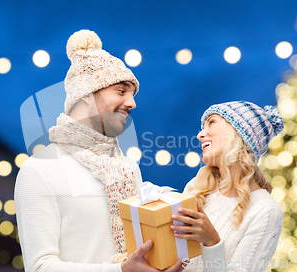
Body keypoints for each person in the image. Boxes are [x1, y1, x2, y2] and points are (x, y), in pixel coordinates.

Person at [14, 30, 183, 272]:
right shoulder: (39, 170)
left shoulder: (128, 168)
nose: (132, 103)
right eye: (121, 91)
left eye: (132, 94)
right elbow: (40, 267)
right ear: (85, 95)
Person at [172, 101, 284, 272]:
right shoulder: (197, 187)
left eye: (212, 122)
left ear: (237, 133)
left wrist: (212, 242)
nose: (200, 135)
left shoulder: (266, 211)